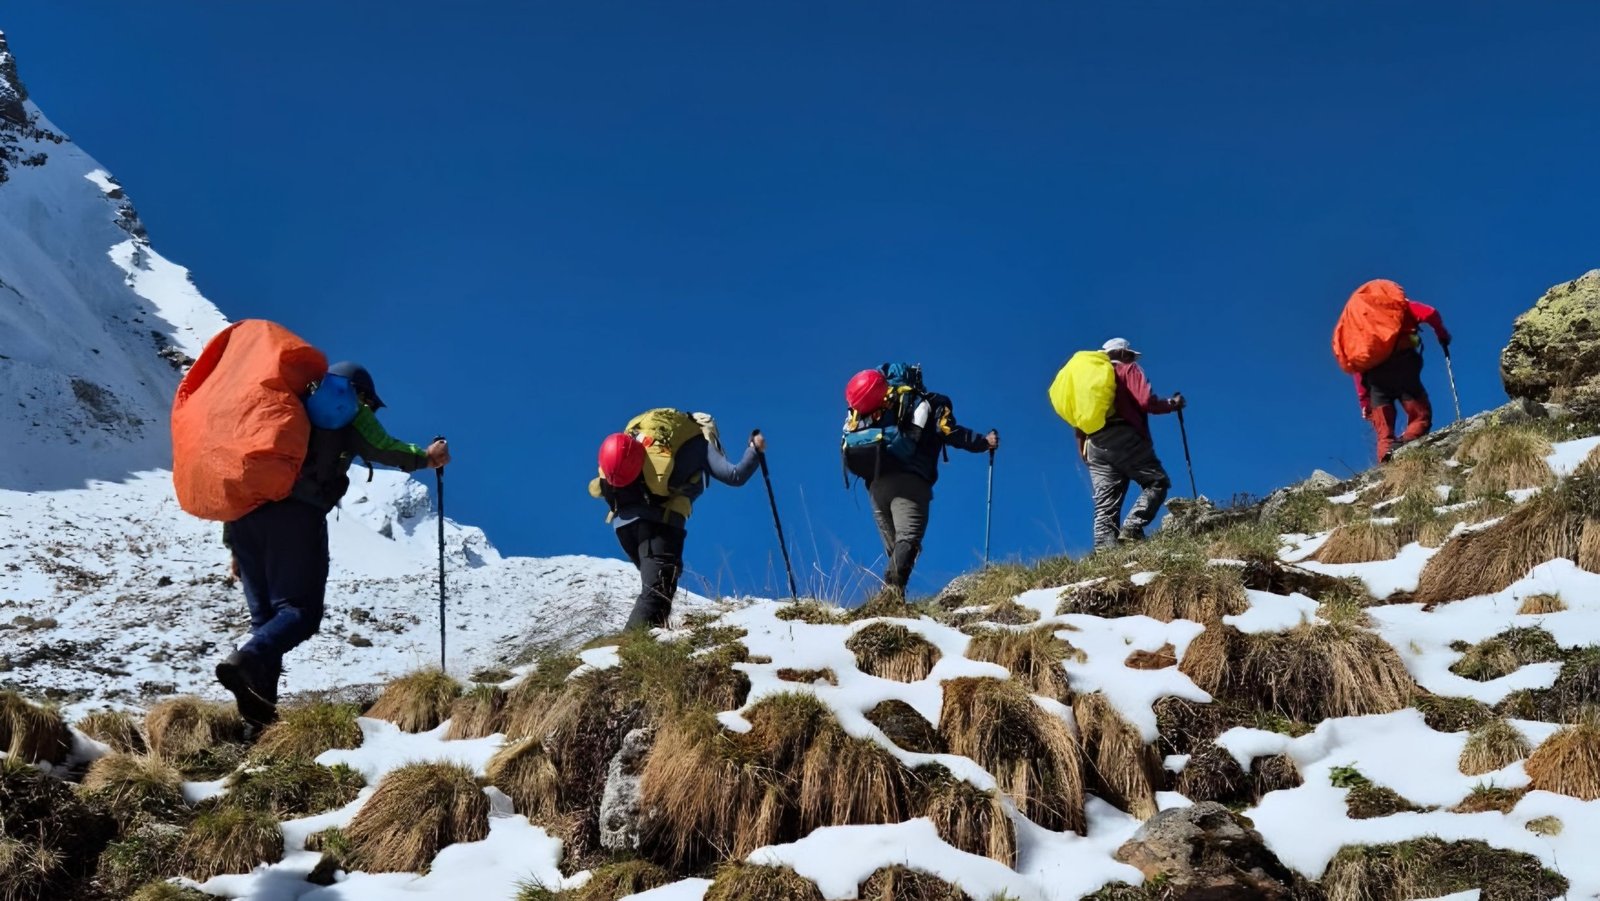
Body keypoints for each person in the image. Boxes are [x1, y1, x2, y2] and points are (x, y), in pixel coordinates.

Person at [217, 361, 449, 735]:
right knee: (300, 614)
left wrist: (233, 546)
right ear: (358, 393)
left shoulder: (283, 410)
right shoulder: (348, 408)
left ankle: (260, 720)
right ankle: (246, 661)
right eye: (370, 404)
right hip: (296, 517)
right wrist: (426, 457)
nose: (369, 410)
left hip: (246, 521)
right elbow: (382, 446)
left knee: (266, 625)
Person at [593, 411, 763, 630]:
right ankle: (624, 652)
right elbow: (735, 475)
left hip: (624, 524)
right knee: (657, 591)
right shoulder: (700, 444)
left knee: (663, 584)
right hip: (659, 524)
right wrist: (755, 449)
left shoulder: (648, 439)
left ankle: (650, 646)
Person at [844, 366, 997, 595]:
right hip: (910, 482)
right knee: (908, 541)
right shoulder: (930, 402)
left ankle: (894, 602)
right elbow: (949, 431)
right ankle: (890, 598)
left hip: (875, 484)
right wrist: (984, 442)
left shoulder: (877, 403)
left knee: (897, 549)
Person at [1076, 338, 1185, 550]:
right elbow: (1146, 402)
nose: (1132, 359)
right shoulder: (1128, 370)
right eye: (1130, 355)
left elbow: (1079, 417)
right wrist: (1172, 404)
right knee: (1157, 482)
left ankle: (1105, 554)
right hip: (1125, 436)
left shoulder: (1089, 380)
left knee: (1105, 503)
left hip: (1094, 444)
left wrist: (1082, 446)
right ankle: (1133, 527)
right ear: (1124, 354)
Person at [1353, 297, 1451, 461]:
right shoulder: (1399, 305)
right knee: (1421, 416)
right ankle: (1406, 447)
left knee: (1384, 434)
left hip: (1376, 378)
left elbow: (1357, 365)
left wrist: (1364, 402)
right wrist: (1442, 335)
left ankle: (1389, 470)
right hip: (1403, 365)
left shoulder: (1363, 326)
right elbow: (1430, 313)